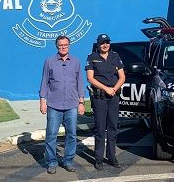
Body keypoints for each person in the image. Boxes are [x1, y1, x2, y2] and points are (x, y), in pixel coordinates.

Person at [39, 35, 85, 174]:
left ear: (69, 46)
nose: (63, 47)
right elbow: (44, 82)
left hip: (72, 104)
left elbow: (80, 83)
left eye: (65, 45)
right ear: (57, 46)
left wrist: (81, 102)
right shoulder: (49, 61)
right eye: (60, 45)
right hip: (54, 105)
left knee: (71, 134)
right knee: (51, 135)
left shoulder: (76, 61)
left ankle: (68, 161)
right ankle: (52, 162)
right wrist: (43, 101)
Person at [85, 33, 126, 170]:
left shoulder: (116, 56)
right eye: (102, 43)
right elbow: (90, 78)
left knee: (113, 128)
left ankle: (112, 156)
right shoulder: (92, 57)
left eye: (107, 42)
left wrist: (114, 89)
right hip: (100, 97)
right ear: (98, 44)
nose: (105, 45)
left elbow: (122, 77)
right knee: (100, 129)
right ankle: (98, 158)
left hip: (113, 96)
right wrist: (106, 88)